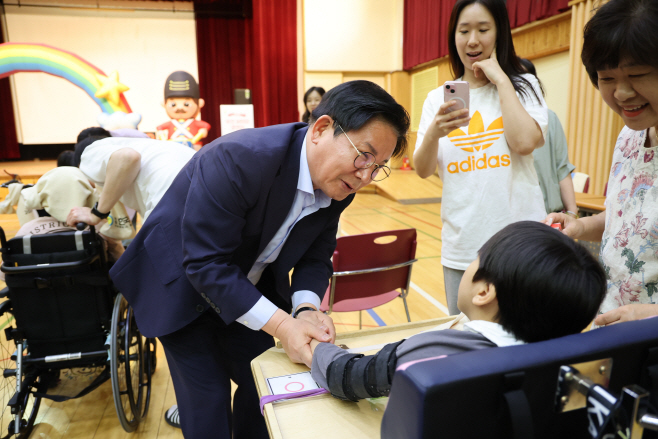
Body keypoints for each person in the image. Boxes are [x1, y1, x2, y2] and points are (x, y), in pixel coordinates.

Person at [107, 80, 410, 439]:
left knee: (268, 384)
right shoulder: (240, 158)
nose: (365, 176)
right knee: (208, 403)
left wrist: (307, 309)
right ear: (322, 128)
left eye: (378, 167)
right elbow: (204, 264)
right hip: (178, 285)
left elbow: (316, 257)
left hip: (244, 286)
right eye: (364, 154)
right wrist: (283, 326)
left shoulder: (340, 184)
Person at [310, 221, 606, 401]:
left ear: (483, 292)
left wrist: (317, 348)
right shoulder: (570, 362)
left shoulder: (434, 350)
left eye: (477, 259)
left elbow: (348, 376)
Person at [413, 0, 548, 315]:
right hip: (463, 246)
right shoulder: (438, 98)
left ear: (500, 33)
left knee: (527, 336)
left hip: (520, 246)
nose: (473, 40)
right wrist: (434, 132)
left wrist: (502, 80)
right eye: (464, 31)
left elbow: (524, 142)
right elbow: (421, 169)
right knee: (468, 345)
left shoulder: (524, 86)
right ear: (454, 37)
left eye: (483, 30)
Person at [545, 0, 658, 327]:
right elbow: (623, 217)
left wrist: (650, 315)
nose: (622, 93)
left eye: (637, 75)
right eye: (607, 78)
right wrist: (579, 227)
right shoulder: (629, 136)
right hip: (609, 321)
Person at [66, 136, 195, 228]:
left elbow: (127, 157)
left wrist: (96, 213)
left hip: (172, 193)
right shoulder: (153, 148)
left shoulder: (90, 152)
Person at [519, 58, 578, 217]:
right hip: (517, 218)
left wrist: (572, 212)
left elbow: (562, 167)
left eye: (526, 78)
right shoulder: (499, 121)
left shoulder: (549, 118)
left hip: (551, 216)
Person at [156, 71, 211, 151]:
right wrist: (162, 136)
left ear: (199, 103)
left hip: (194, 146)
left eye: (186, 104)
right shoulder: (171, 123)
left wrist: (202, 132)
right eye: (173, 104)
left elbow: (205, 126)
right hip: (173, 146)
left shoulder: (194, 123)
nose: (180, 108)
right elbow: (160, 128)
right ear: (164, 104)